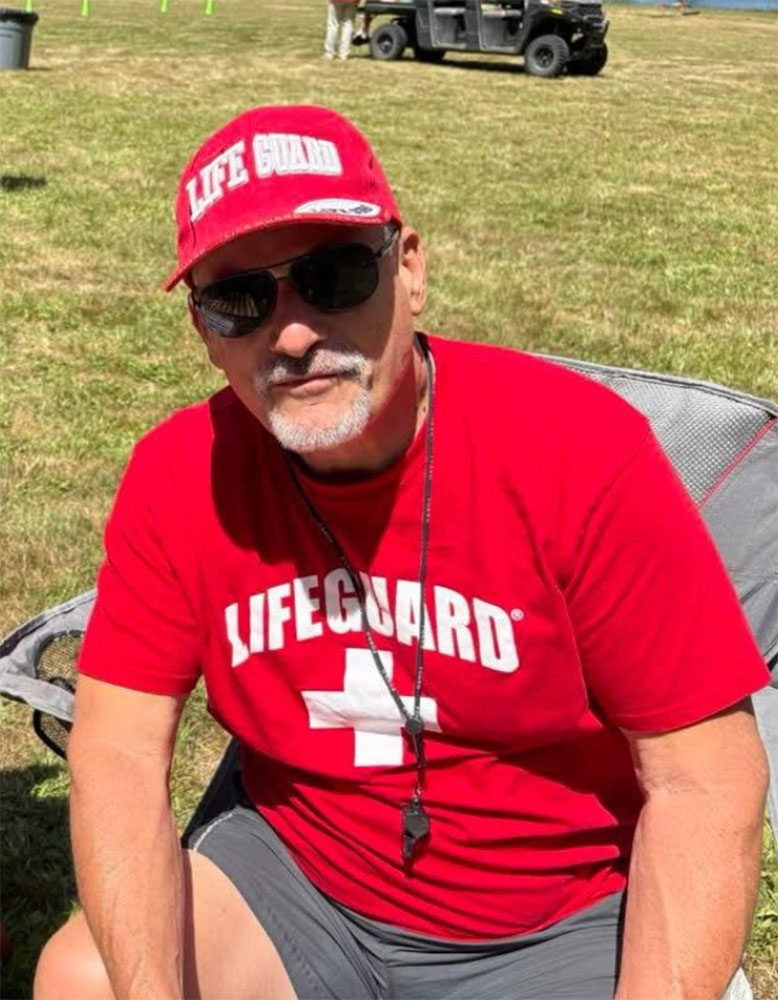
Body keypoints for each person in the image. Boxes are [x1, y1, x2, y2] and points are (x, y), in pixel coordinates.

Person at [34, 104, 770, 1000]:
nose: (293, 332)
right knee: (86, 981)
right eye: (240, 298)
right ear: (203, 328)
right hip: (301, 883)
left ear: (409, 271)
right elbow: (115, 750)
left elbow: (705, 775)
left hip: (561, 915)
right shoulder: (180, 474)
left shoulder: (578, 452)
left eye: (332, 274)